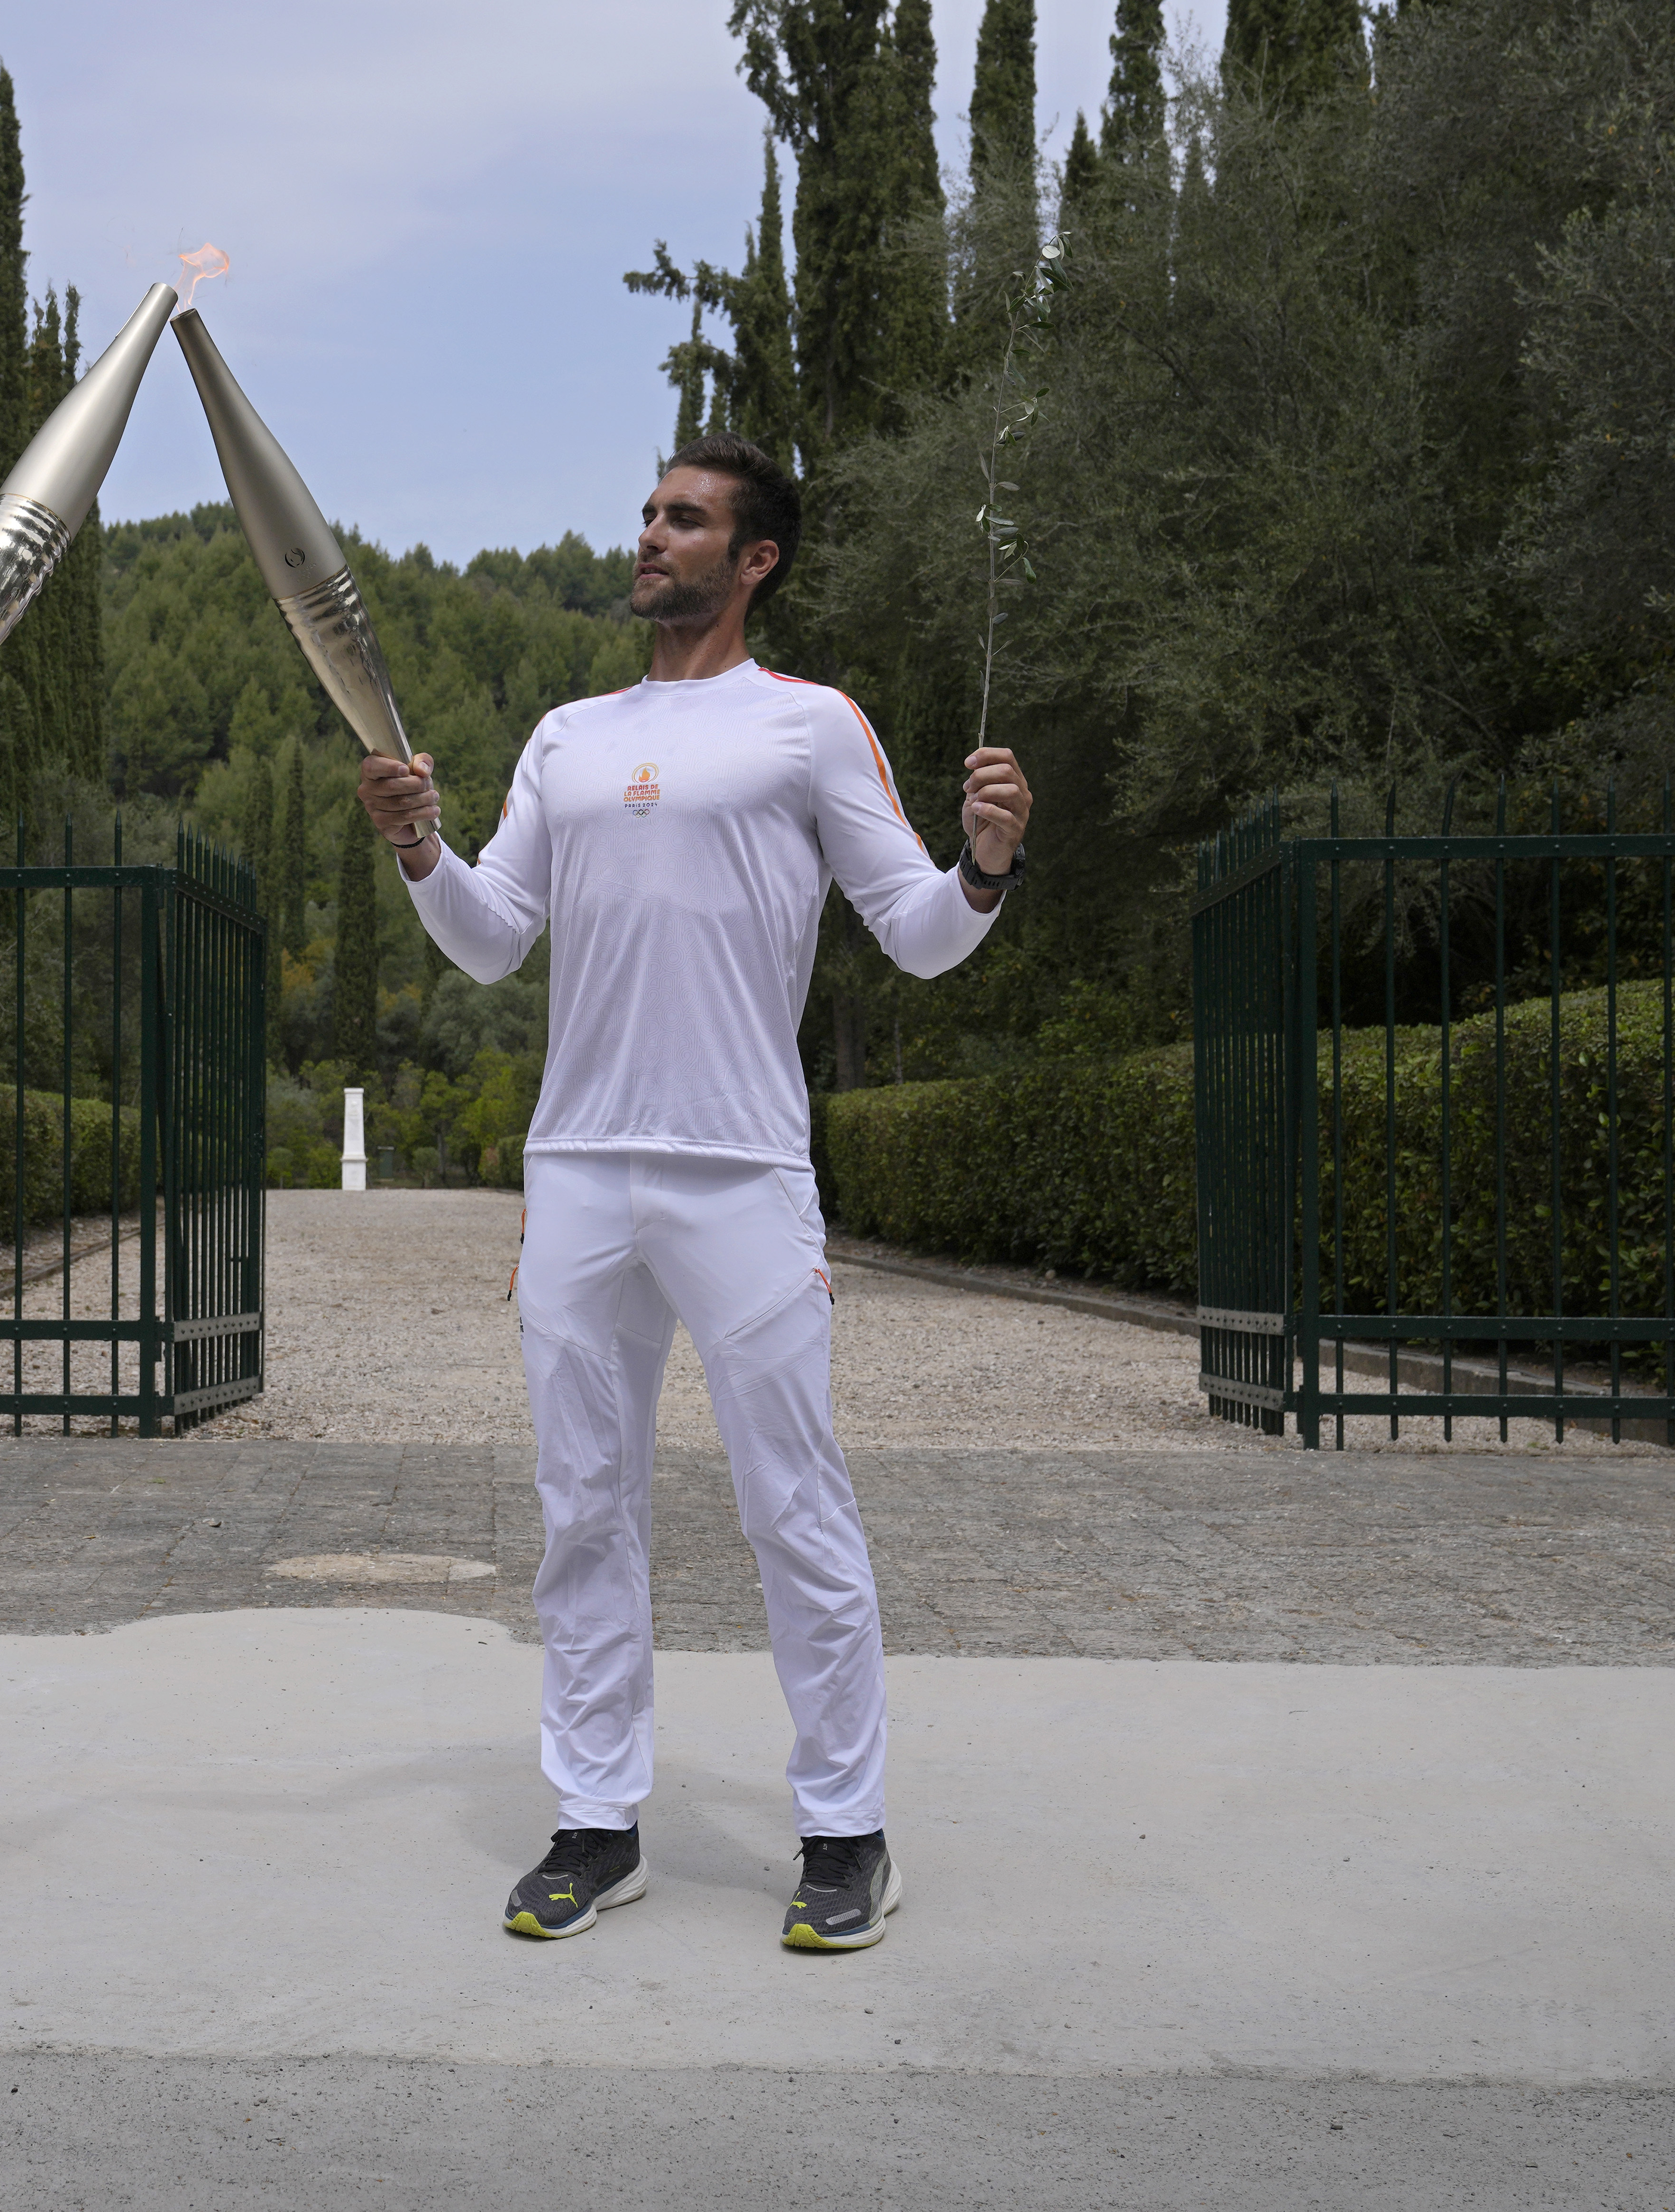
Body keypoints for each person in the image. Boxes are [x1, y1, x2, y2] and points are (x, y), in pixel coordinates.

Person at [357, 431, 1031, 1953]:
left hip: (744, 1177)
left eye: (686, 519)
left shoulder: (808, 728)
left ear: (755, 559)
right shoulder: (565, 736)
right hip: (582, 1174)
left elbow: (919, 933)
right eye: (650, 514)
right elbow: (488, 937)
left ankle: (847, 1833)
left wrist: (985, 864)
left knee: (795, 1507)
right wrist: (419, 847)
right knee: (583, 1511)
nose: (652, 536)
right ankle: (597, 1822)